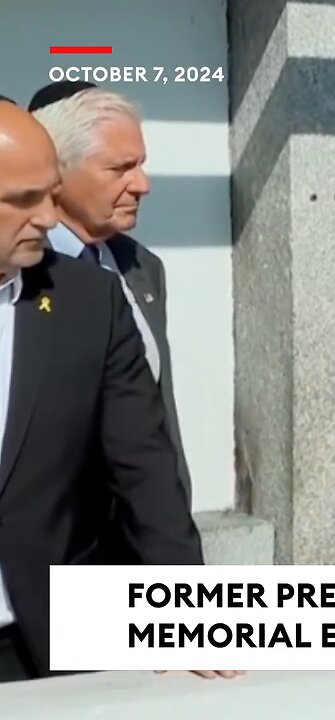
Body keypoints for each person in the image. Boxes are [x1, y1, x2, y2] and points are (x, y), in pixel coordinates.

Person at [0, 100, 234, 681]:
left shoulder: (88, 301)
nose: (49, 218)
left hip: (45, 648)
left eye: (50, 194)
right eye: (24, 199)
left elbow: (145, 467)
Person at [28, 81, 192, 506]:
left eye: (140, 165)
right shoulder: (16, 270)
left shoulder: (142, 269)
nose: (142, 184)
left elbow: (156, 419)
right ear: (58, 173)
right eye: (120, 169)